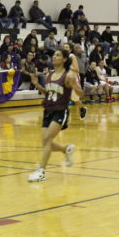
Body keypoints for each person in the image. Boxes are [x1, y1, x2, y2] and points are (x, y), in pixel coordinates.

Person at [27, 49, 84, 182]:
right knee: (45, 142)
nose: (54, 57)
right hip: (48, 110)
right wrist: (36, 84)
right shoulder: (50, 74)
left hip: (60, 110)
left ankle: (41, 171)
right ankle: (66, 149)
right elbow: (48, 92)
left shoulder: (68, 76)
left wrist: (75, 85)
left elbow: (81, 94)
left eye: (57, 55)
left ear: (64, 59)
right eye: (53, 55)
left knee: (47, 139)